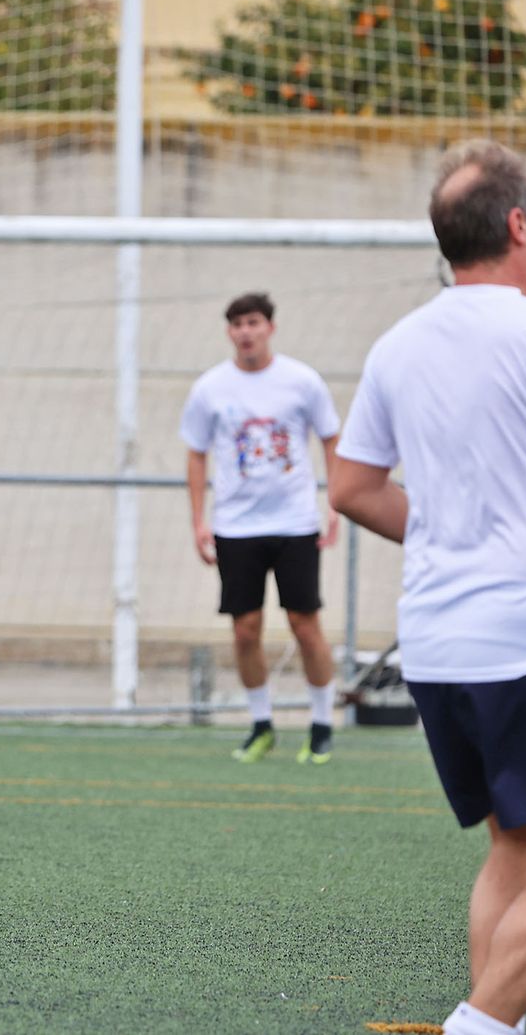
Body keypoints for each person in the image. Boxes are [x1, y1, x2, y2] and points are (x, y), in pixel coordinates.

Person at [330, 139, 526, 1035]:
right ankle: (478, 1027)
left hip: (435, 640)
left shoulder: (399, 342)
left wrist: (459, 536)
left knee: (519, 844)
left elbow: (351, 487)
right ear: (516, 224)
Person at [180, 292, 342, 764]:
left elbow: (332, 437)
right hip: (236, 525)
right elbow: (195, 452)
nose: (245, 331)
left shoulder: (301, 381)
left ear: (270, 327)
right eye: (236, 324)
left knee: (304, 623)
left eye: (253, 322)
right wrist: (198, 520)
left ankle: (322, 724)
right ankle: (261, 725)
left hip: (294, 522)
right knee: (245, 629)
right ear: (228, 332)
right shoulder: (210, 388)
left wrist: (332, 503)